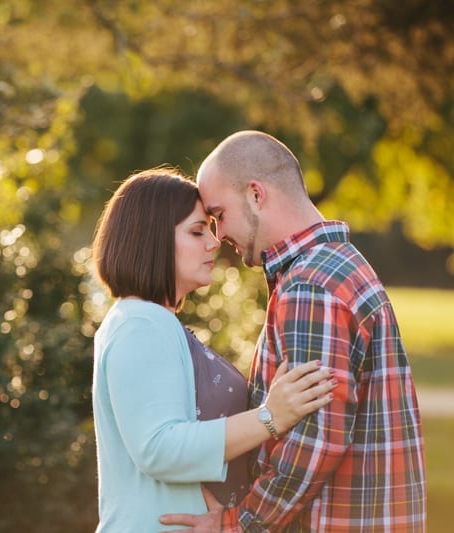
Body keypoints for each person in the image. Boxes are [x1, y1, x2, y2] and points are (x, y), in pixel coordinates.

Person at [160, 131, 427, 532]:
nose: (219, 236)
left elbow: (314, 439)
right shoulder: (338, 265)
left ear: (255, 195)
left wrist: (235, 525)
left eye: (218, 215)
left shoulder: (310, 286)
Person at [91, 167, 337, 532]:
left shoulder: (151, 321)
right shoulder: (140, 325)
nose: (213, 241)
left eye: (210, 225)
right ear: (151, 239)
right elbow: (159, 448)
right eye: (196, 231)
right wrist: (271, 417)